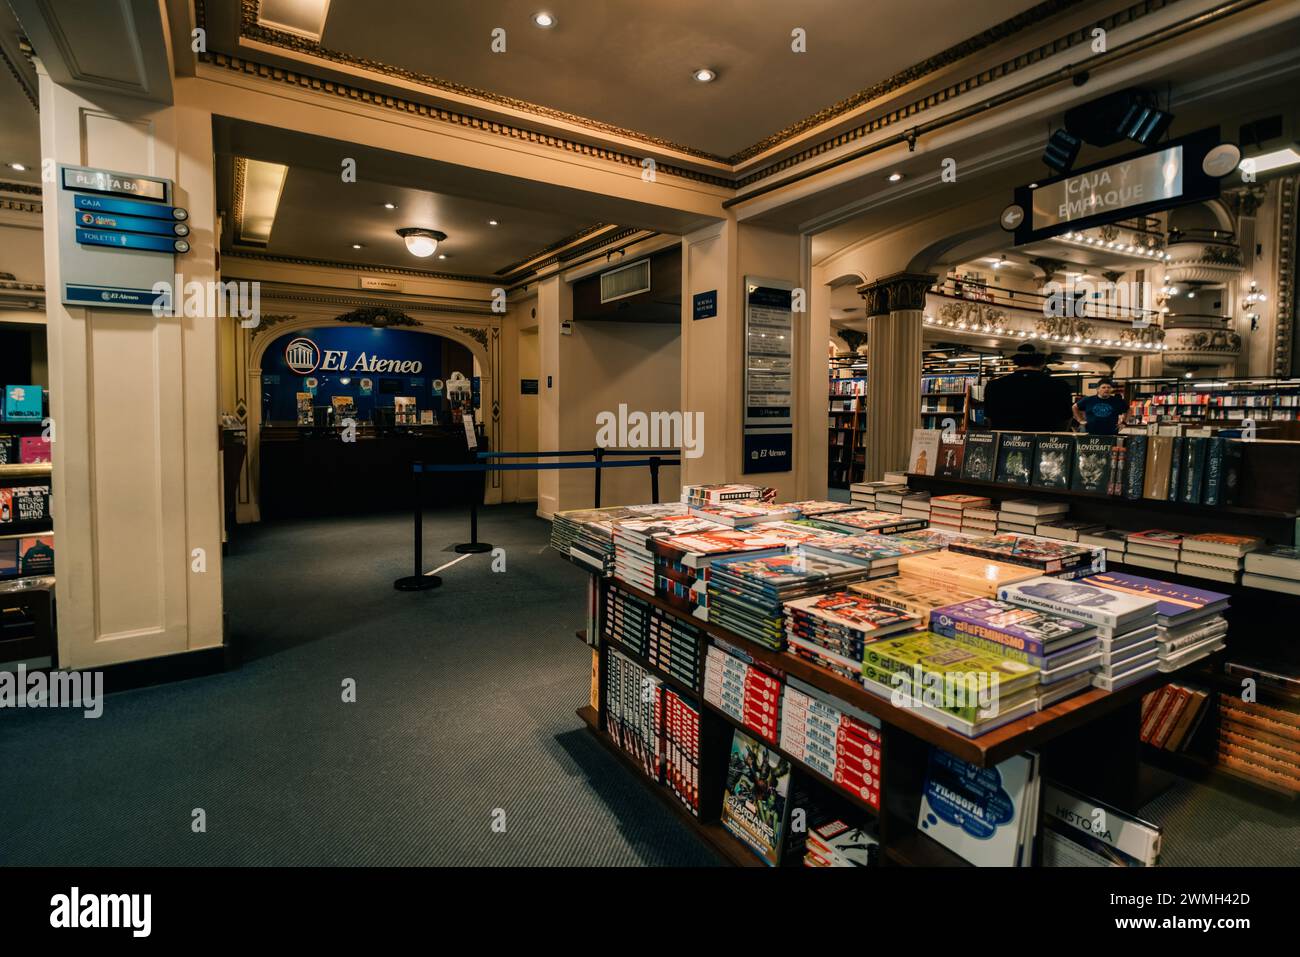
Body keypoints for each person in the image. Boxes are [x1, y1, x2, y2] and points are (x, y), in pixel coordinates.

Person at [980, 343, 1074, 432]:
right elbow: (1066, 420)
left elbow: (988, 419)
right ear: (1043, 361)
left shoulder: (994, 385)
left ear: (1017, 359)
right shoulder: (1060, 386)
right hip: (1044, 444)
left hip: (1003, 443)